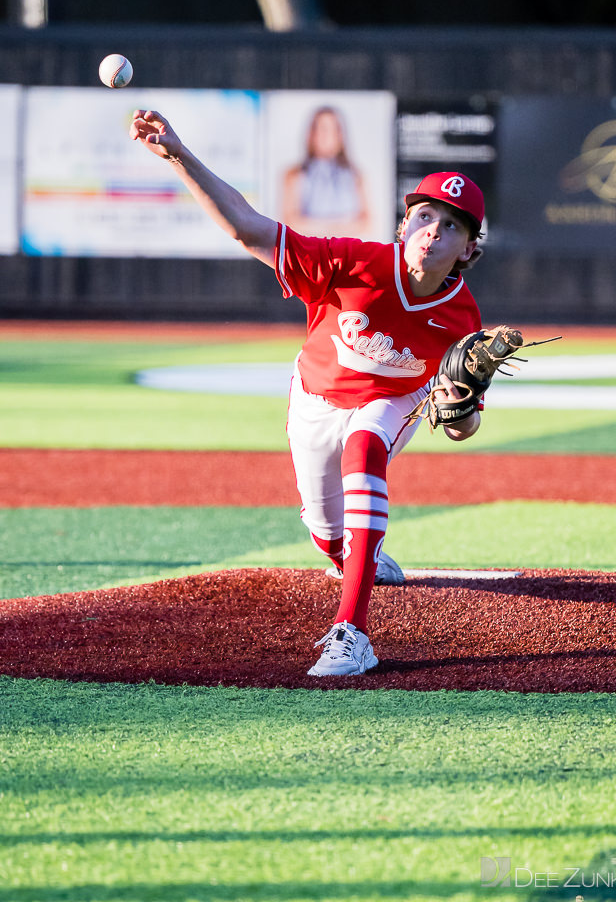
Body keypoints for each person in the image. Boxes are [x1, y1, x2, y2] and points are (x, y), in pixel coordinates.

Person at [130, 109, 485, 679]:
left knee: (366, 446)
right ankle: (351, 553)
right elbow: (248, 228)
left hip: (392, 402)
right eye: (424, 217)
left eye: (452, 226)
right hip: (315, 397)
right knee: (327, 537)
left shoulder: (463, 319)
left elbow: (463, 428)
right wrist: (178, 155)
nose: (433, 232)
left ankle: (353, 632)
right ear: (402, 227)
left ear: (468, 249)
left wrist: (463, 406)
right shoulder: (357, 262)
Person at [281, 106, 372, 238]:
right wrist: (340, 226)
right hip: (309, 253)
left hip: (347, 255)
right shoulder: (294, 174)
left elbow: (366, 223)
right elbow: (290, 223)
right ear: (311, 134)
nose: (325, 136)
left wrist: (316, 226)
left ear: (340, 134)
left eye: (331, 129)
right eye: (321, 129)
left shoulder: (355, 175)